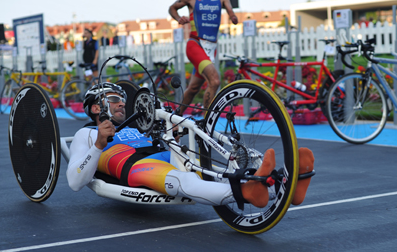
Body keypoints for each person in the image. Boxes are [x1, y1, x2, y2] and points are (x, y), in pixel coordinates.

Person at [66, 82, 314, 207]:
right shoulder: (86, 134)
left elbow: (163, 143)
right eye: (113, 99)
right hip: (136, 167)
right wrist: (98, 144)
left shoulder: (134, 126)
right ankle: (247, 192)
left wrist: (173, 133)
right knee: (184, 181)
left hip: (163, 155)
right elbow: (75, 182)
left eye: (122, 99)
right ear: (96, 107)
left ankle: (284, 188)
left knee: (216, 173)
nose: (122, 104)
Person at [168, 0, 238, 115]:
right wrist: (178, 18)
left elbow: (230, 11)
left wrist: (233, 17)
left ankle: (174, 119)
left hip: (211, 48)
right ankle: (207, 122)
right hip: (195, 45)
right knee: (215, 81)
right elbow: (172, 8)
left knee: (193, 88)